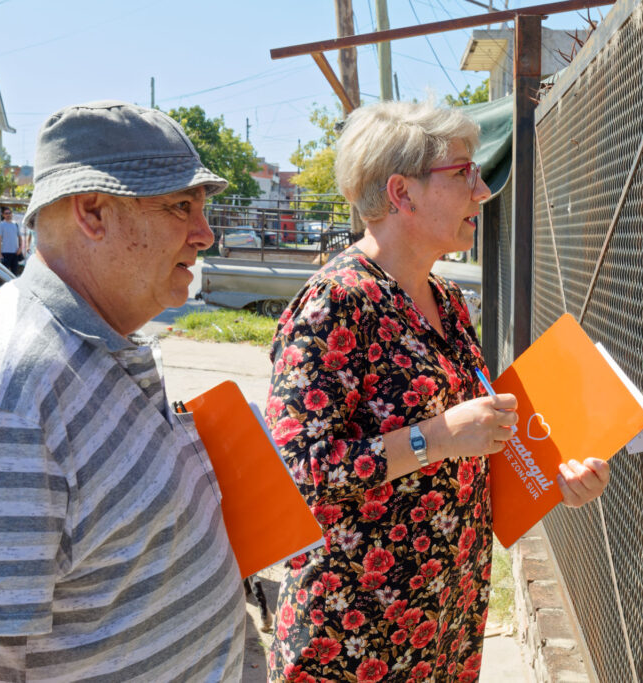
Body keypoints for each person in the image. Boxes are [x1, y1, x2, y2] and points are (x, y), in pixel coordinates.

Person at [264, 101, 610, 683]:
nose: (482, 191)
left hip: (443, 621)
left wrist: (553, 477)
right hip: (354, 636)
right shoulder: (336, 303)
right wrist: (437, 436)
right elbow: (299, 471)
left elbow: (477, 442)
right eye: (464, 172)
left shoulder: (447, 301)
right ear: (402, 192)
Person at [0, 101, 247, 681]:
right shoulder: (9, 390)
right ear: (92, 211)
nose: (204, 233)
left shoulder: (96, 335)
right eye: (180, 206)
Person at [0, 206, 22, 275]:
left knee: (15, 273)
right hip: (5, 252)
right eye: (6, 213)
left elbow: (20, 237)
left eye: (9, 213)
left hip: (15, 253)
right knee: (4, 273)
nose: (8, 215)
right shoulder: (1, 225)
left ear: (11, 214)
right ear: (3, 215)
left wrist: (20, 248)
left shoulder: (15, 224)